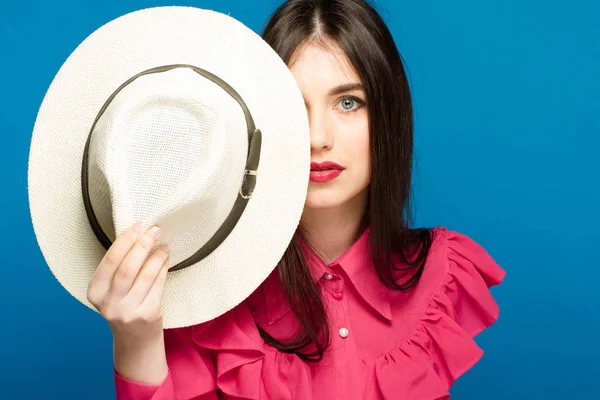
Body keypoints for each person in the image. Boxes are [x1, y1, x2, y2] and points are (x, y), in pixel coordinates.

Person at [89, 0, 505, 398]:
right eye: (294, 105)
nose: (319, 139)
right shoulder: (205, 293)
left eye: (348, 103)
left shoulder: (443, 272)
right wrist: (136, 341)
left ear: (388, 115)